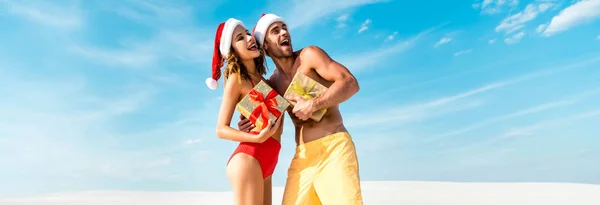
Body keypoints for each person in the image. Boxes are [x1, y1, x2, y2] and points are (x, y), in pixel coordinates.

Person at [237, 14, 363, 205]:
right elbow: (267, 122)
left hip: (334, 147)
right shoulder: (273, 84)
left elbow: (350, 83)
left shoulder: (309, 56)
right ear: (265, 46)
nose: (284, 32)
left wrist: (314, 104)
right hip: (303, 156)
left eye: (284, 27)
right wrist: (248, 122)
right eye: (275, 31)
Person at [207, 18, 284, 205]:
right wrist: (256, 138)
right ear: (232, 51)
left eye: (248, 33)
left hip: (268, 160)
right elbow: (220, 129)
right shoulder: (237, 79)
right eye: (240, 38)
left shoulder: (266, 82)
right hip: (249, 158)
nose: (249, 38)